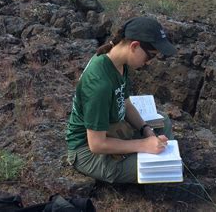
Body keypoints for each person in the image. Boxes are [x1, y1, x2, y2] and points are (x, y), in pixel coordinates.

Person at [65, 16, 177, 183]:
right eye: (150, 57)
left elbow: (125, 103)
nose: (148, 63)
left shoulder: (119, 63)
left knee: (164, 121)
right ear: (134, 46)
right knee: (166, 168)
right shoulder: (99, 85)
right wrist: (143, 145)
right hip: (86, 151)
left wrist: (146, 130)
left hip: (113, 127)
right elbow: (96, 144)